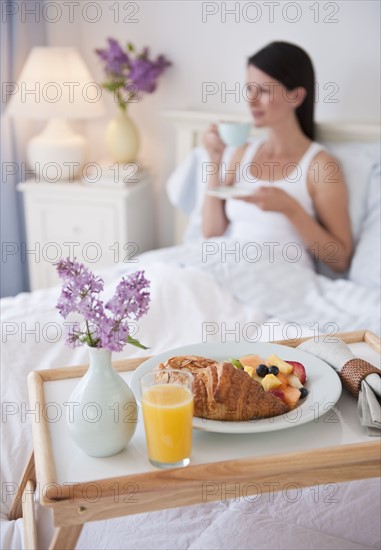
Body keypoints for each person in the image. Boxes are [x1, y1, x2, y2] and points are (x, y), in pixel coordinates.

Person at [202, 41, 352, 272]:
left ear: (297, 96)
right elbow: (212, 232)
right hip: (229, 268)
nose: (251, 101)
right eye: (249, 89)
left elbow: (340, 260)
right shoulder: (243, 152)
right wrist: (215, 159)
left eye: (263, 91)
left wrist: (290, 208)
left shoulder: (320, 166)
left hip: (281, 279)